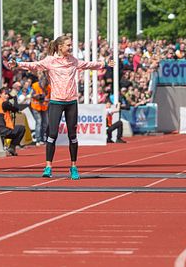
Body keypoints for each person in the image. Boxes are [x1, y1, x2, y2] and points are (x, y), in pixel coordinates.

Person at [7, 35, 112, 180]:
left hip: (71, 102)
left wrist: (105, 63)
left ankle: (73, 167)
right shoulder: (50, 61)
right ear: (60, 47)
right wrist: (18, 64)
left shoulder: (73, 61)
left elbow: (89, 64)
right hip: (56, 102)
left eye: (71, 45)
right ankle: (48, 166)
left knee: (72, 136)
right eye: (68, 45)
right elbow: (34, 65)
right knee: (53, 134)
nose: (70, 47)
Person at [0, 87, 25, 156]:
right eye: (5, 94)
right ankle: (12, 147)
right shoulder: (4, 103)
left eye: (8, 94)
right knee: (21, 128)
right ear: (0, 94)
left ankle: (7, 148)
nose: (7, 96)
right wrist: (14, 98)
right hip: (2, 129)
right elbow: (16, 108)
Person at [30, 72, 50, 145]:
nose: (44, 86)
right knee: (39, 122)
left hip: (44, 107)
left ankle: (42, 138)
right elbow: (32, 95)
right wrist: (39, 96)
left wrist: (45, 99)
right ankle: (38, 140)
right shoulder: (35, 85)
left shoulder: (48, 87)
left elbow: (50, 97)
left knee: (45, 123)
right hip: (36, 106)